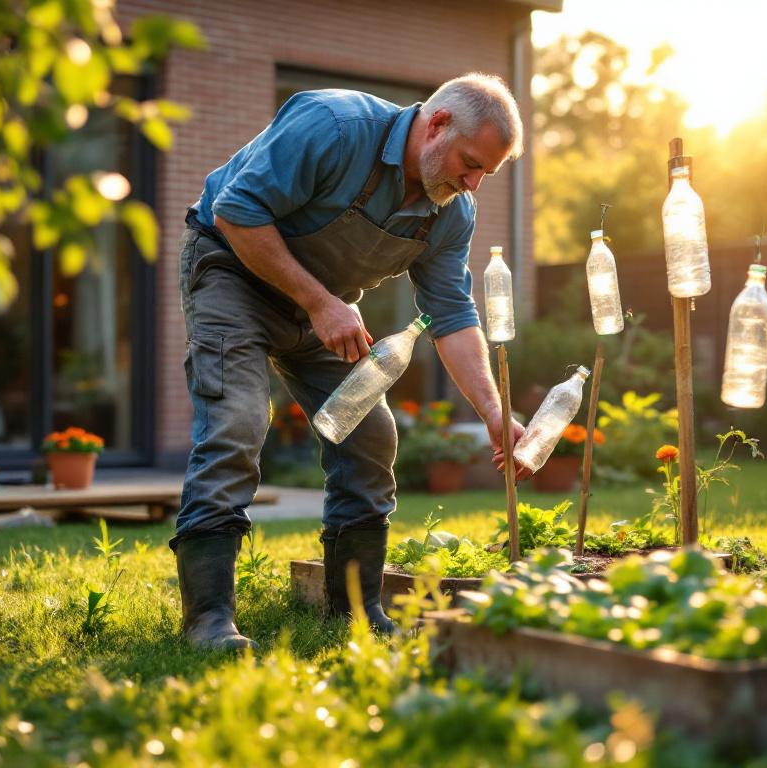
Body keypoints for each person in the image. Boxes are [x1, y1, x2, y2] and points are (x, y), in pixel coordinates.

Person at [175, 72, 528, 650]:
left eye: (486, 173)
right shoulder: (335, 126)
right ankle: (209, 619)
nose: (473, 184)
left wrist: (492, 410)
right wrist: (318, 303)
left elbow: (453, 314)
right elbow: (237, 211)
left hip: (323, 309)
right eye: (470, 163)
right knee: (236, 422)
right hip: (232, 272)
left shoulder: (450, 212)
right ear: (437, 124)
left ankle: (354, 609)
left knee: (371, 435)